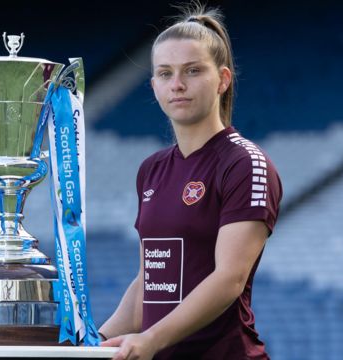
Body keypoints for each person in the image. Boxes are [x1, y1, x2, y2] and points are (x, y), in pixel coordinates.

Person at [98, 3, 283, 359]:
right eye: (165, 74)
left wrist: (151, 339)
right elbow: (147, 284)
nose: (177, 85)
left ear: (223, 80)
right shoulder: (150, 170)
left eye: (193, 71)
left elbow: (229, 279)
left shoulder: (245, 163)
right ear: (153, 86)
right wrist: (92, 341)